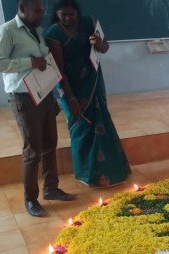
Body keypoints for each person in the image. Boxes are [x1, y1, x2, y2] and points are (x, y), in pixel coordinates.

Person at [0, 0, 75, 217]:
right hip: (23, 97)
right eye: (37, 11)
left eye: (42, 10)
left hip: (43, 93)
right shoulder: (7, 31)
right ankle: (30, 199)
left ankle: (51, 189)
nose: (41, 14)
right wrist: (29, 62)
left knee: (50, 144)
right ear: (22, 9)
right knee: (32, 150)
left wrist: (53, 93)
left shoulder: (37, 30)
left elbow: (44, 61)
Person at [44, 0, 132, 187]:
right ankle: (86, 174)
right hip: (70, 87)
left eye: (72, 14)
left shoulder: (89, 23)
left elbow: (105, 48)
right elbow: (59, 71)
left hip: (93, 82)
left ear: (78, 13)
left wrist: (99, 43)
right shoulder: (53, 34)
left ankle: (114, 171)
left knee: (103, 122)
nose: (68, 18)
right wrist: (71, 99)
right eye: (63, 15)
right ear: (57, 15)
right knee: (80, 127)